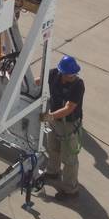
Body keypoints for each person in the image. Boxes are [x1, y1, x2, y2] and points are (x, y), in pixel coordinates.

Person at [42, 55, 85, 202]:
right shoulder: (54, 74)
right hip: (55, 121)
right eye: (68, 74)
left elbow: (69, 108)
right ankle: (53, 171)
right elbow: (39, 81)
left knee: (69, 159)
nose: (71, 77)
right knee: (52, 147)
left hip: (69, 125)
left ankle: (71, 189)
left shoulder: (78, 85)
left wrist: (50, 116)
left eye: (73, 74)